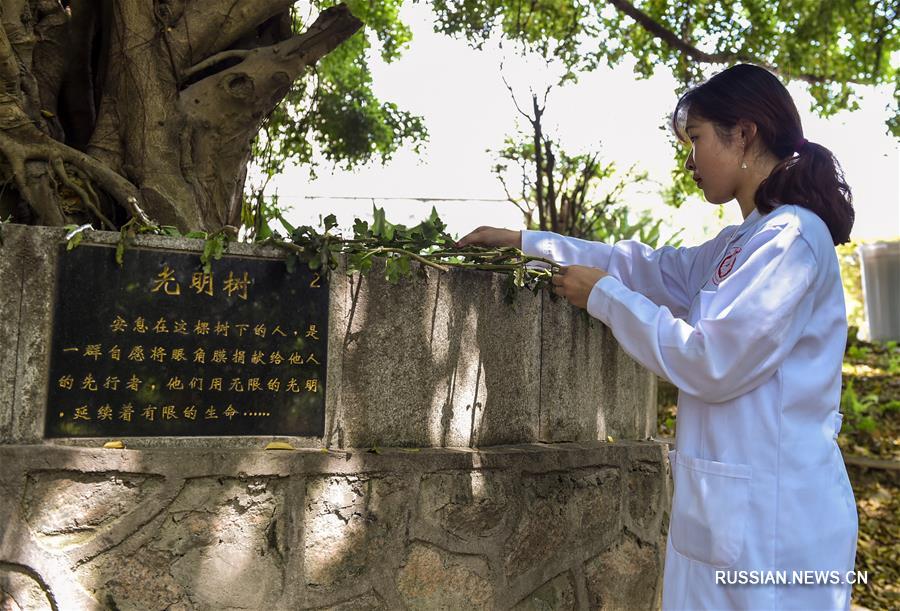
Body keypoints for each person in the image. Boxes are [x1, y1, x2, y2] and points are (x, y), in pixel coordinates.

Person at [456, 63, 858, 610]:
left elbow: (712, 361)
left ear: (742, 134)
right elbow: (645, 267)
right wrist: (528, 242)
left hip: (778, 526)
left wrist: (604, 298)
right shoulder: (740, 242)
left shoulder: (791, 238)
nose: (689, 161)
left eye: (695, 139)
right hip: (732, 515)